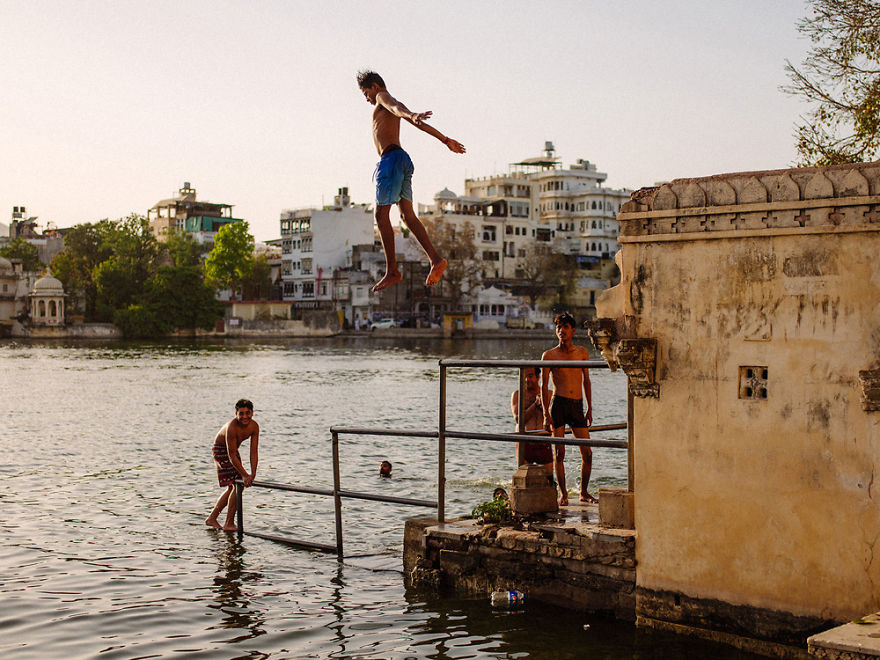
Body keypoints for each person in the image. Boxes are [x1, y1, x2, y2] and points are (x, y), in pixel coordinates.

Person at [357, 69, 466, 292]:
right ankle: (435, 259)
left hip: (390, 161)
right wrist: (444, 140)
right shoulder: (387, 101)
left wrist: (411, 114)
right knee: (407, 215)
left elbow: (397, 108)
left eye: (365, 92)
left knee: (380, 215)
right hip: (403, 160)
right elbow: (409, 117)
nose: (366, 99)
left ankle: (392, 271)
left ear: (375, 86)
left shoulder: (381, 97)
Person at [541, 313, 594, 506]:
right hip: (559, 404)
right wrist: (546, 414)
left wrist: (589, 407)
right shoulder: (549, 355)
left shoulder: (582, 352)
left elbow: (586, 380)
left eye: (565, 327)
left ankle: (584, 492)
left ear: (573, 330)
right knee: (559, 454)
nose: (561, 331)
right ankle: (563, 494)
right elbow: (543, 385)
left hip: (577, 404)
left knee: (587, 453)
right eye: (558, 328)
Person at [205, 399, 260, 531]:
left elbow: (254, 452)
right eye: (241, 413)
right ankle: (229, 523)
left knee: (234, 487)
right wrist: (244, 475)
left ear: (252, 413)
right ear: (236, 414)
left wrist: (252, 474)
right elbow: (231, 455)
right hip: (221, 451)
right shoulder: (232, 427)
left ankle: (212, 519)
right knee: (238, 484)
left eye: (248, 413)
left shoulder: (254, 426)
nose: (245, 417)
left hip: (233, 451)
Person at [511, 367, 554, 476]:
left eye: (530, 376)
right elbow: (518, 420)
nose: (526, 380)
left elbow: (556, 421)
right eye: (524, 377)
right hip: (526, 444)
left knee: (549, 479)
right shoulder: (518, 395)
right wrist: (535, 405)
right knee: (524, 478)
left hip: (544, 443)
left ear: (538, 377)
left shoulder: (549, 394)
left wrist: (544, 409)